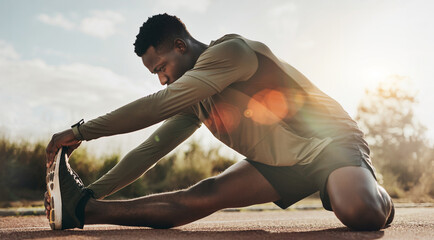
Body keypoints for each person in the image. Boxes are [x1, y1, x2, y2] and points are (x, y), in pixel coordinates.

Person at [44, 13, 394, 231]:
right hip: (279, 163)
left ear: (180, 46)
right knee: (203, 196)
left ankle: (380, 198)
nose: (162, 80)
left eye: (160, 68)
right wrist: (90, 191)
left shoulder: (232, 52)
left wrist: (80, 132)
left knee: (361, 212)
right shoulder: (196, 99)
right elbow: (151, 149)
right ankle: (82, 210)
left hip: (330, 142)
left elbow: (157, 105)